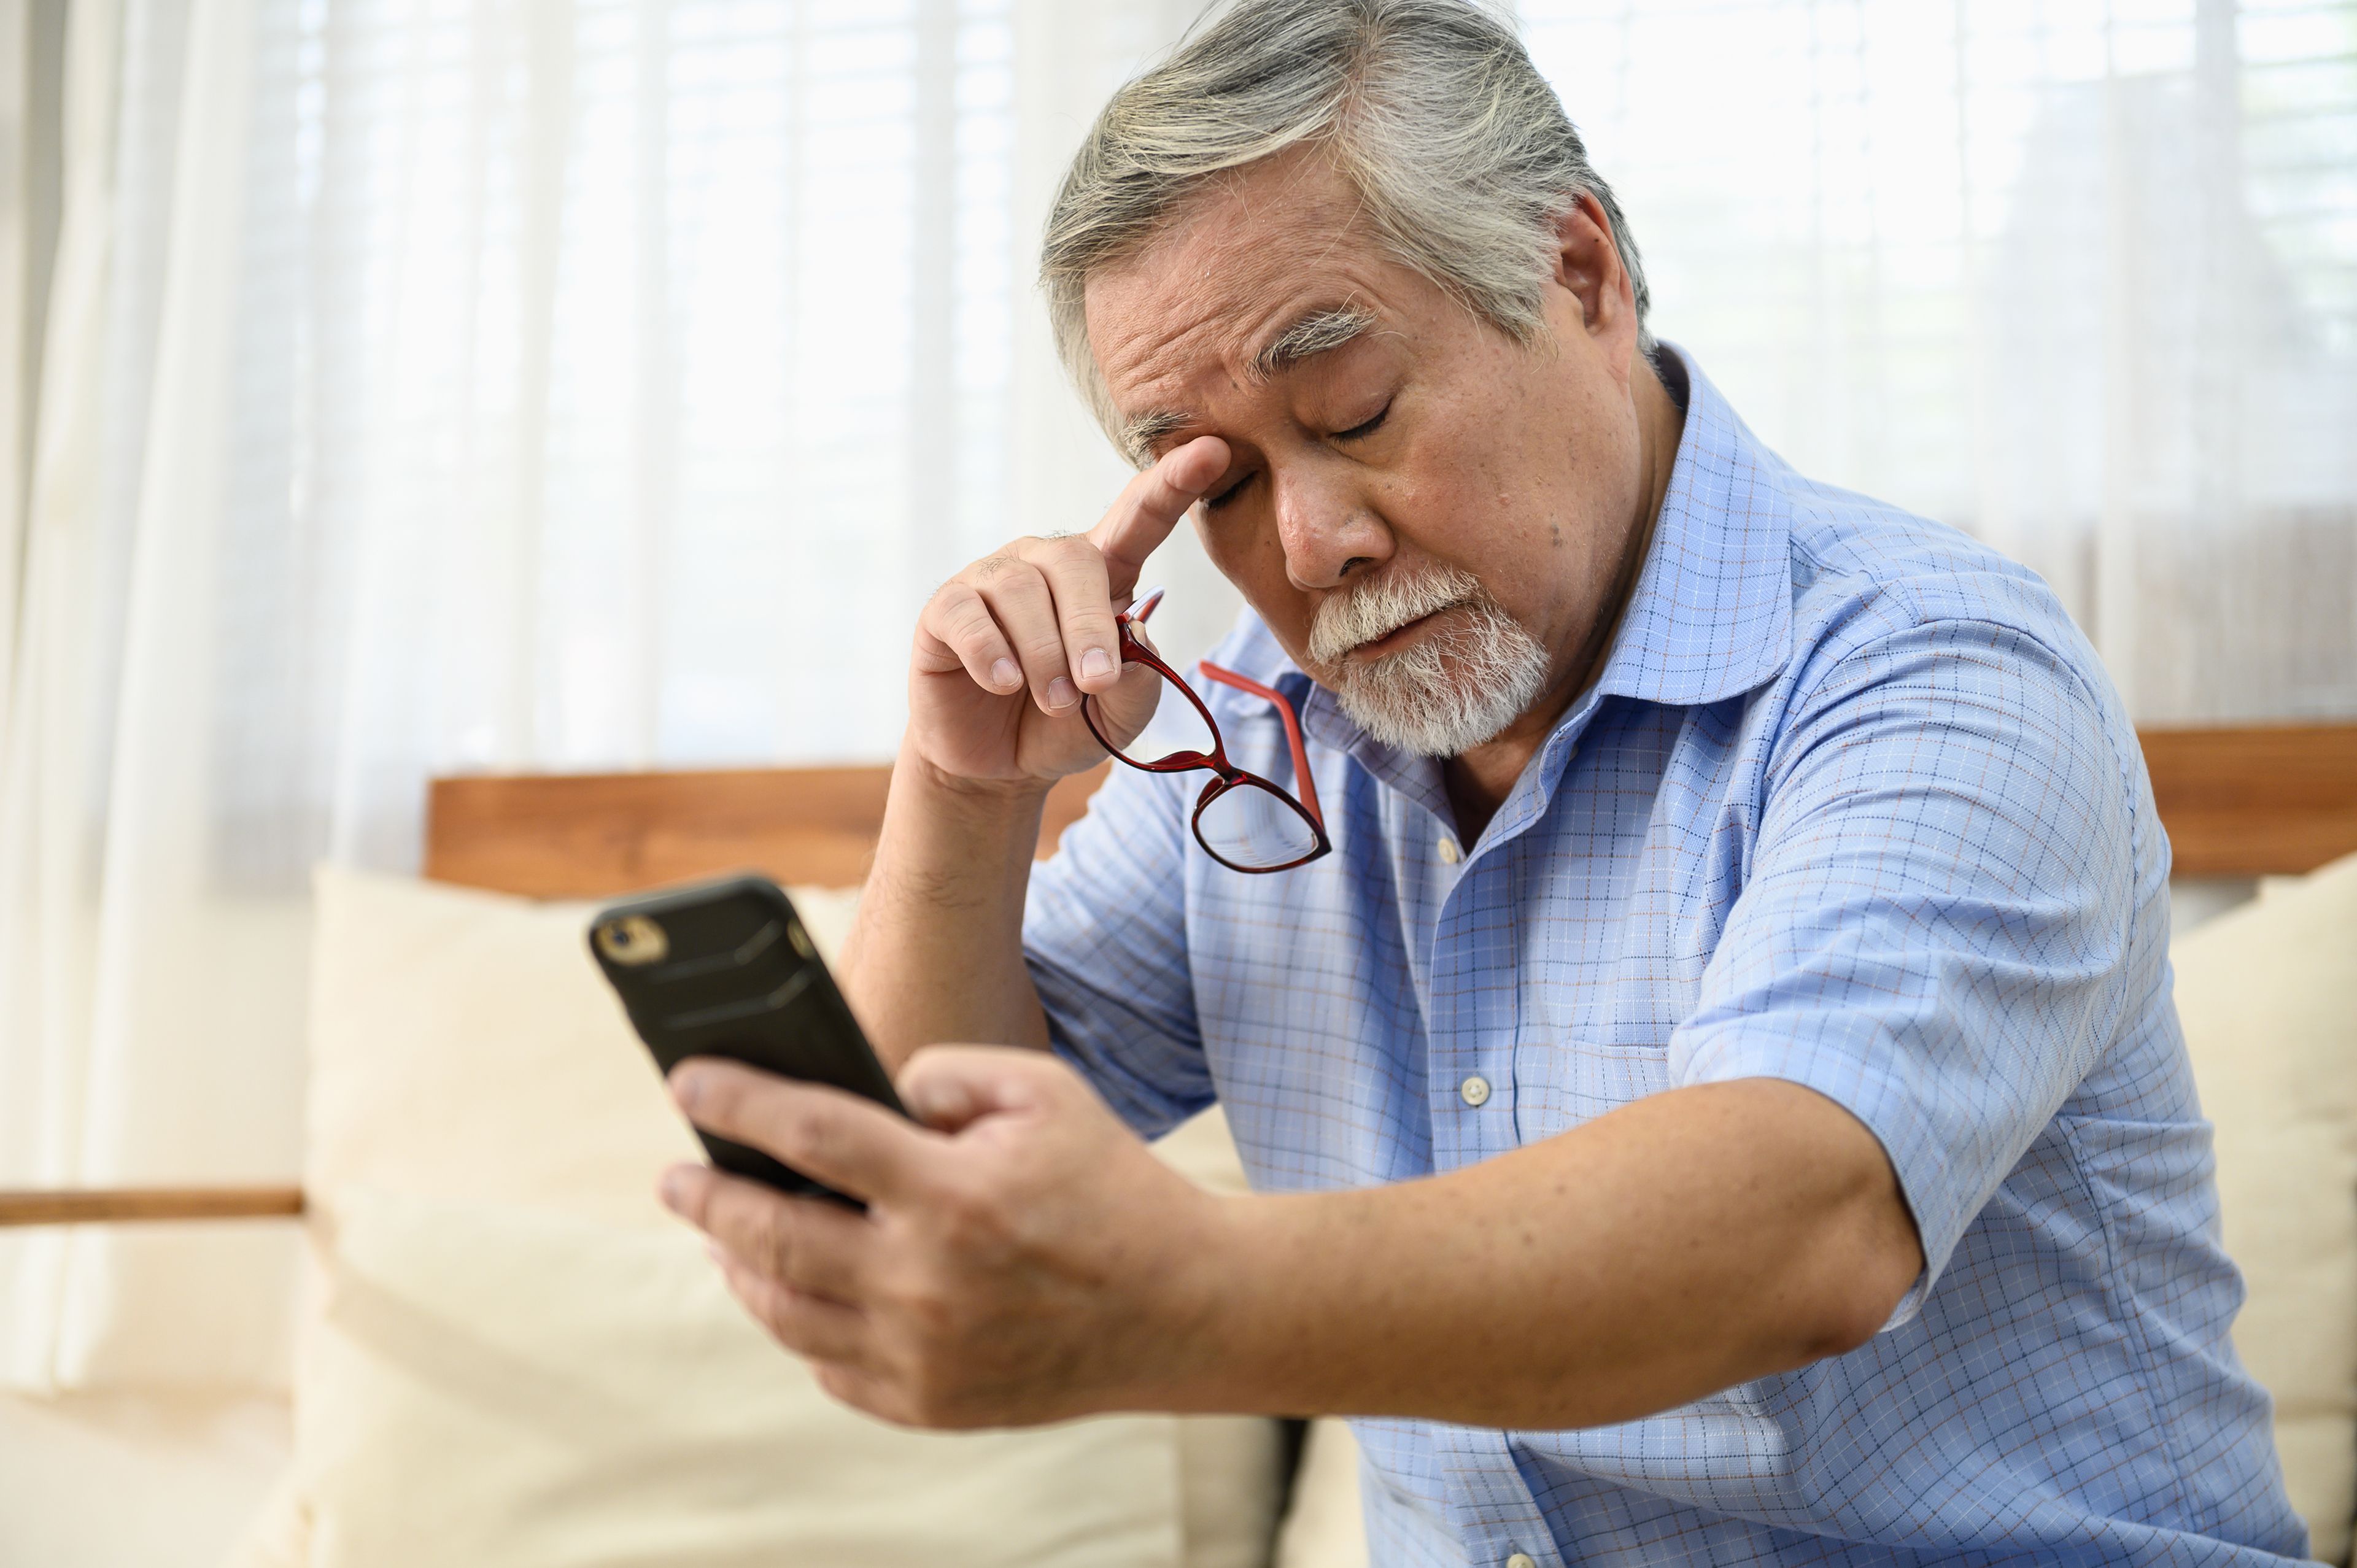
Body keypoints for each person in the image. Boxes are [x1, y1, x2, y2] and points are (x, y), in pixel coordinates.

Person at [657, 1, 2305, 1561]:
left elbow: (1803, 1224)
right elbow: (899, 1157)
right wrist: (964, 797)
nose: (1313, 546)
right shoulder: (1252, 716)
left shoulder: (1935, 666)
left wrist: (1179, 1293)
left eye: (1356, 409)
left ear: (1577, 272)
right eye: (1220, 487)